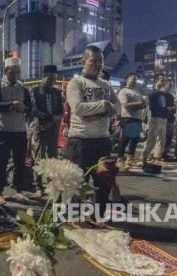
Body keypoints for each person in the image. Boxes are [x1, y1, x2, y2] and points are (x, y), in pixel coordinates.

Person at [65, 45, 117, 223]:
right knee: (77, 183)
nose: (97, 65)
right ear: (83, 62)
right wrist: (104, 105)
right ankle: (75, 218)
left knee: (104, 183)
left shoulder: (106, 84)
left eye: (100, 61)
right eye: (93, 61)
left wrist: (98, 113)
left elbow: (117, 108)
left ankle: (97, 216)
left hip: (102, 141)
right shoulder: (76, 83)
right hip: (80, 141)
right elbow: (78, 108)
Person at [0, 57, 32, 204]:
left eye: (17, 72)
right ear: (6, 71)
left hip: (20, 131)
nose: (15, 75)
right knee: (1, 163)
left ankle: (19, 190)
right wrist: (13, 104)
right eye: (12, 72)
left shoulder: (23, 87)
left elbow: (29, 108)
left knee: (19, 163)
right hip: (4, 130)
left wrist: (24, 108)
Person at [30, 65, 63, 196]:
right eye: (49, 79)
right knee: (39, 157)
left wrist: (53, 121)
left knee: (53, 158)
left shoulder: (57, 92)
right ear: (43, 77)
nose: (52, 82)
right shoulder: (35, 90)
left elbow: (61, 110)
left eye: (54, 79)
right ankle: (38, 186)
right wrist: (49, 119)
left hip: (53, 128)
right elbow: (35, 110)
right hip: (40, 127)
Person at [116, 72, 146, 171]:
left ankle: (130, 159)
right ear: (127, 80)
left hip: (137, 118)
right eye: (133, 79)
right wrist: (140, 104)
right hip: (128, 118)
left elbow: (143, 104)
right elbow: (125, 105)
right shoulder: (123, 91)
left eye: (135, 79)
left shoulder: (137, 92)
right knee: (125, 139)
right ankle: (120, 160)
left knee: (134, 140)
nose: (134, 81)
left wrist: (140, 104)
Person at [141, 73, 170, 165]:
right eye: (161, 80)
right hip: (155, 118)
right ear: (156, 81)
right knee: (152, 139)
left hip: (163, 118)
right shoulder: (152, 92)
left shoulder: (164, 94)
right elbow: (152, 106)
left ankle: (157, 157)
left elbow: (167, 105)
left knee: (162, 139)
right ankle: (144, 158)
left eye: (164, 80)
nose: (163, 82)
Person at [162, 78, 176, 159]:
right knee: (163, 136)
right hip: (164, 118)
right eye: (168, 84)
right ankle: (160, 153)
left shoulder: (171, 95)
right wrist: (169, 109)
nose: (170, 86)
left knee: (170, 136)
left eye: (171, 85)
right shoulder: (162, 94)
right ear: (165, 85)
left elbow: (174, 106)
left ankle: (166, 153)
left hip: (171, 118)